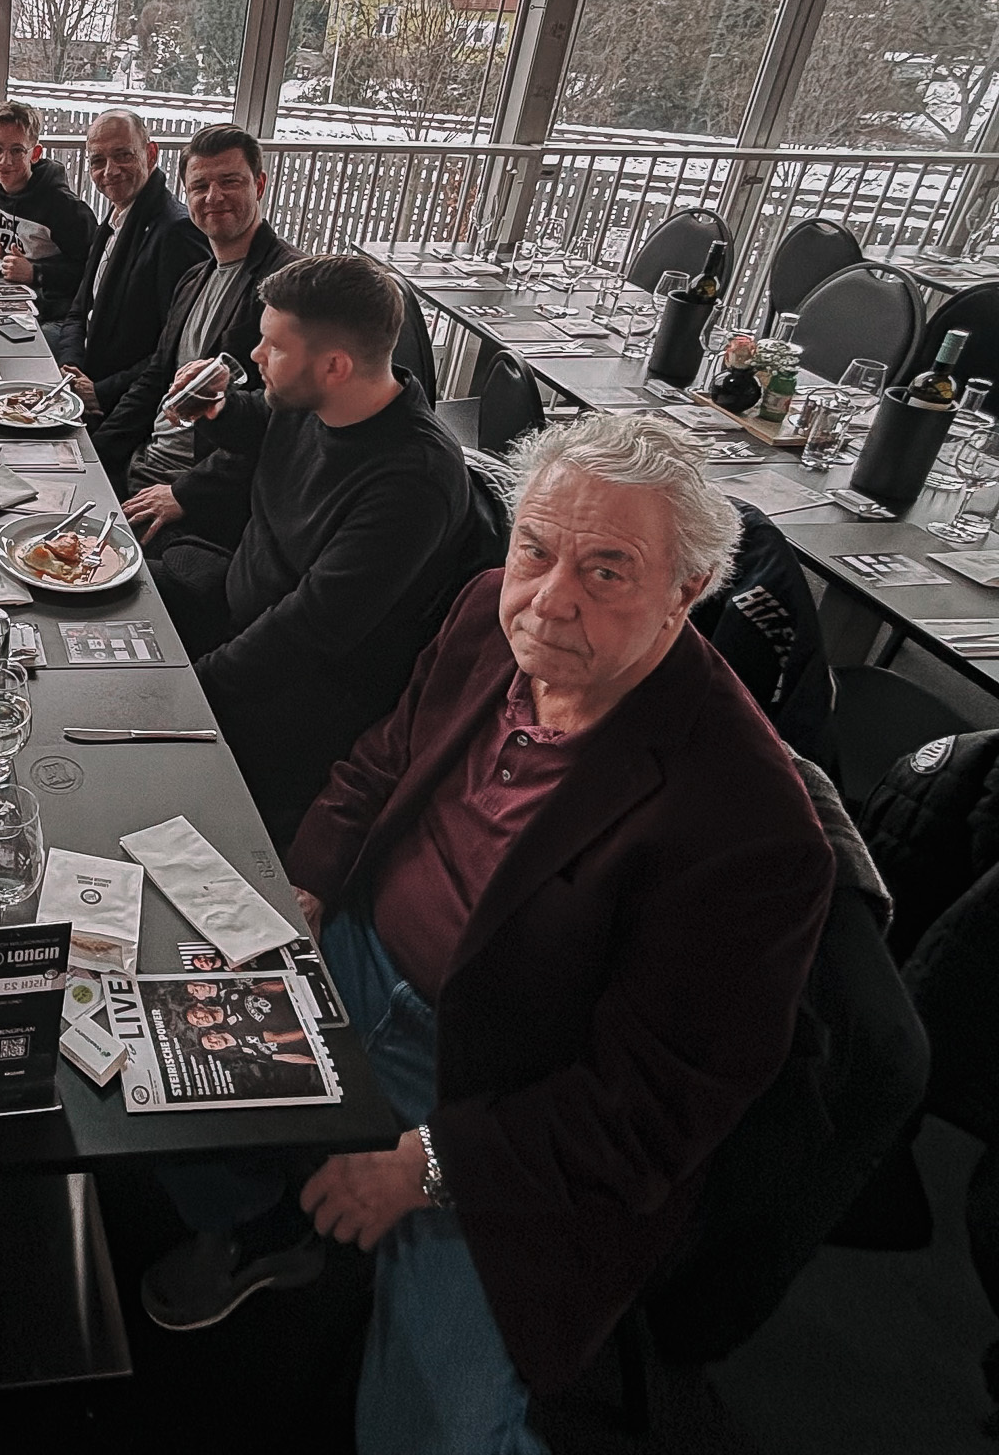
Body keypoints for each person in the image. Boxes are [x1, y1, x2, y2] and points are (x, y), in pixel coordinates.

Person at [143, 413, 834, 1455]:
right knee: (151, 1053)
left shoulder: (746, 823)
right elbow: (381, 758)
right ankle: (267, 1223)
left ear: (683, 592)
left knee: (434, 1424)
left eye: (607, 571)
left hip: (501, 1096)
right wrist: (307, 884)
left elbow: (648, 1108)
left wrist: (421, 1165)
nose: (551, 598)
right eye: (537, 549)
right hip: (358, 956)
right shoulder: (481, 612)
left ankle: (336, 1199)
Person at [151, 254, 496, 840]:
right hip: (242, 612)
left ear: (335, 365)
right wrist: (221, 407)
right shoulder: (315, 400)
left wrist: (190, 688)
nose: (256, 357)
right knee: (106, 616)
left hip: (305, 687)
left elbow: (309, 630)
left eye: (273, 347)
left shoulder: (411, 481)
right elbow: (261, 418)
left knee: (145, 759)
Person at [92, 123, 297, 509]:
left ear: (260, 184)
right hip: (144, 464)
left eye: (230, 181)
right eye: (200, 186)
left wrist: (182, 495)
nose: (213, 197)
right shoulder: (194, 278)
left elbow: (285, 419)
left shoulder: (287, 286)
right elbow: (156, 378)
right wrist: (92, 453)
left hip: (193, 492)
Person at [53, 108, 206, 417]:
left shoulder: (176, 232)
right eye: (98, 161)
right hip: (81, 382)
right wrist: (71, 371)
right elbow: (79, 309)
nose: (109, 171)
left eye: (123, 155)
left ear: (151, 154)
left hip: (123, 406)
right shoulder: (113, 218)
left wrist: (100, 392)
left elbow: (174, 350)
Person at [0, 100, 97, 332]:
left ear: (35, 154)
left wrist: (35, 272)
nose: (5, 161)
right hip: (12, 300)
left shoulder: (63, 206)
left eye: (17, 151)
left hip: (57, 315)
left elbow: (92, 271)